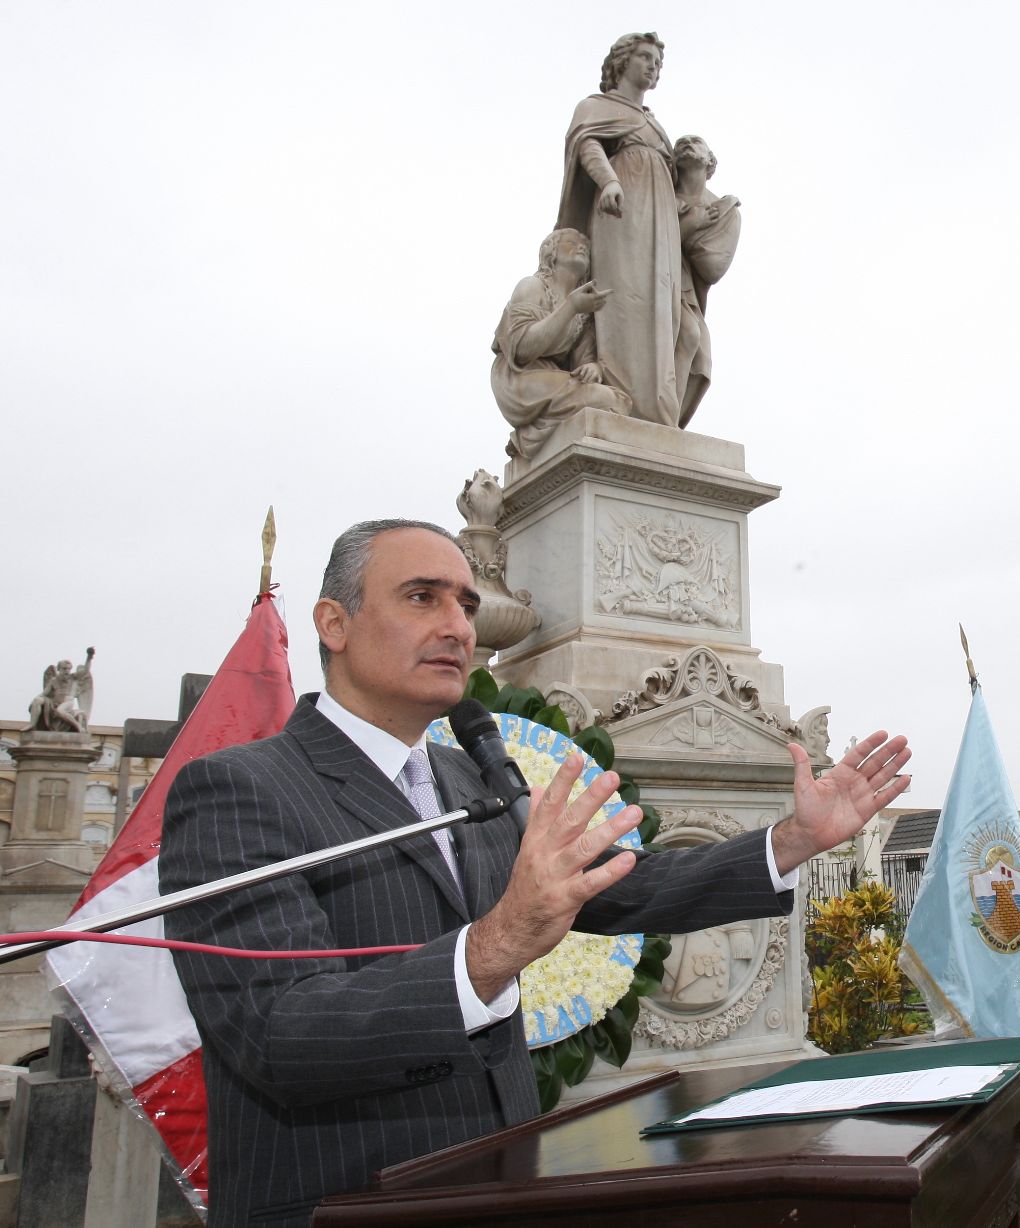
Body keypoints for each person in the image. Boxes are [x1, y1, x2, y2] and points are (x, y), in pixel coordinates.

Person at [160, 519, 910, 1226]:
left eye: (467, 604)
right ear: (335, 624)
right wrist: (496, 945)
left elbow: (623, 887)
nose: (458, 626)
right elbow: (277, 1032)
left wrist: (790, 840)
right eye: (422, 597)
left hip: (501, 1189)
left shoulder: (471, 776)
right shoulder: (237, 790)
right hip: (344, 1197)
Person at [555, 32, 687, 428]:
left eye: (658, 62)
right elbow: (588, 144)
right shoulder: (596, 107)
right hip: (622, 214)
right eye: (645, 57)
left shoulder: (655, 125)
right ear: (622, 62)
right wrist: (610, 180)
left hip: (661, 225)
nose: (653, 66)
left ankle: (656, 402)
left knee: (663, 306)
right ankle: (617, 390)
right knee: (626, 296)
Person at [490, 228, 631, 461]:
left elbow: (584, 360)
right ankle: (530, 435)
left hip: (551, 376)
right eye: (571, 241)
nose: (582, 245)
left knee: (616, 402)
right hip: (518, 377)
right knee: (606, 400)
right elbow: (522, 348)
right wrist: (570, 307)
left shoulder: (583, 309)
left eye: (585, 242)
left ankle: (530, 436)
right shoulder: (531, 287)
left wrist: (594, 367)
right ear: (551, 252)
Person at [671, 134, 740, 426]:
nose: (687, 143)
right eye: (681, 143)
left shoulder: (724, 211)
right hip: (654, 279)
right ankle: (661, 418)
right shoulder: (658, 197)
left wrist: (682, 232)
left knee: (699, 360)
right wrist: (693, 227)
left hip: (686, 288)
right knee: (687, 336)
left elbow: (713, 267)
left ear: (710, 161)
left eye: (696, 142)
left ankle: (668, 423)